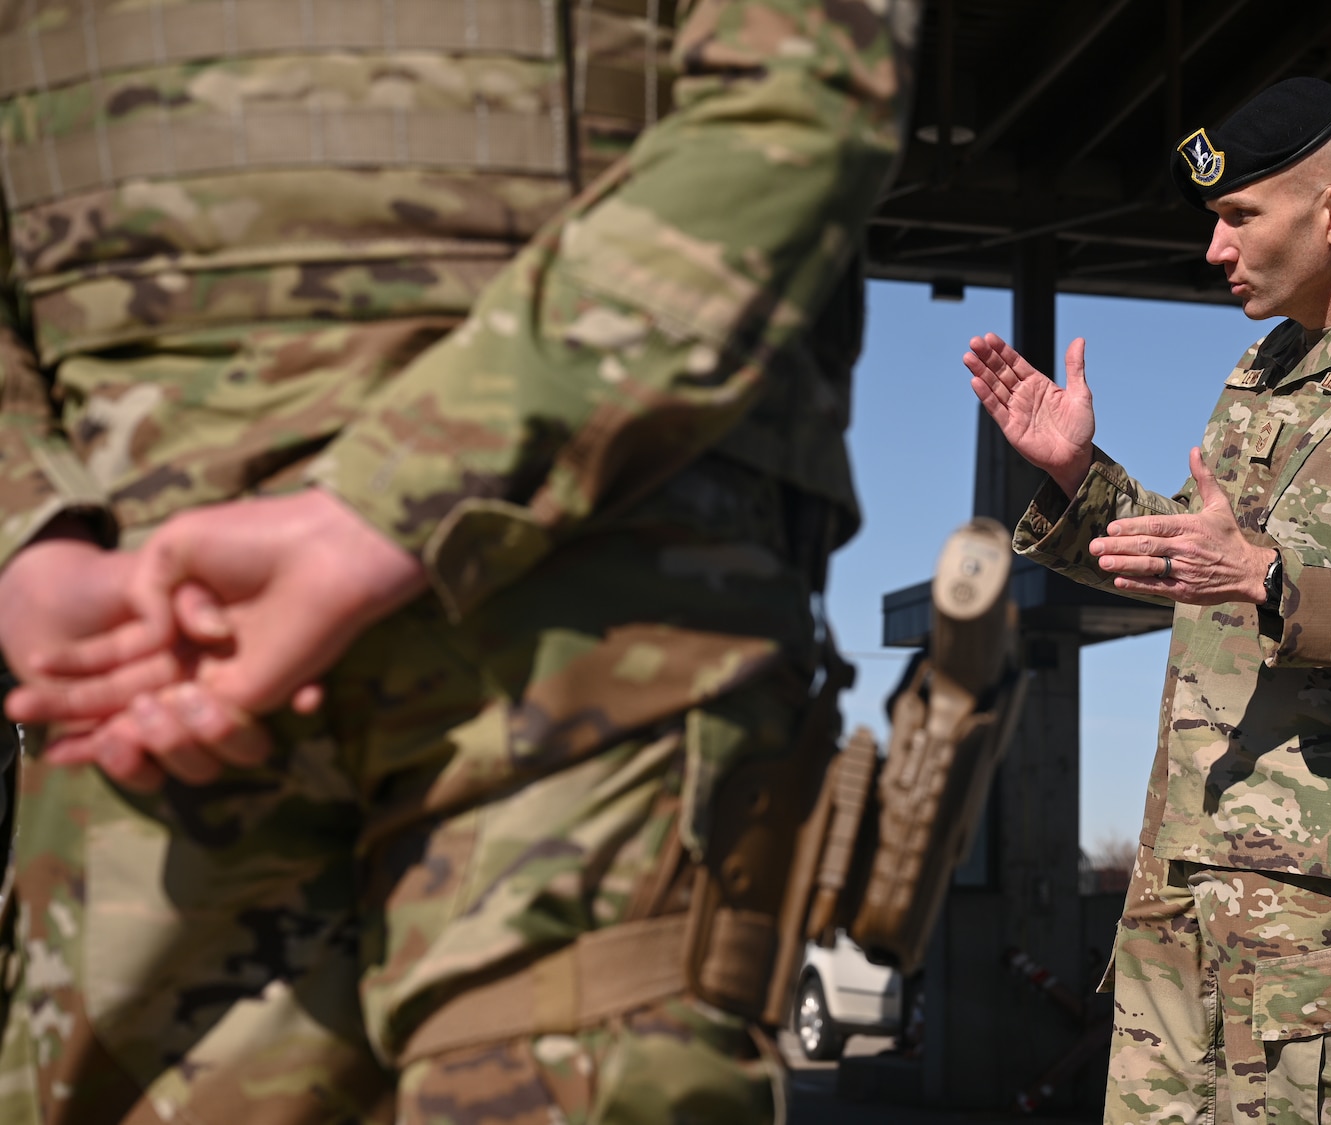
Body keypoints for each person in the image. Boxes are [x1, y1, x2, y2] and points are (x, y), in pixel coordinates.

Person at [0, 0, 912, 1119]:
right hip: (588, 586)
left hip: (192, 604)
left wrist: (33, 534)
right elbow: (806, 92)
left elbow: (801, 100)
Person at [965, 77, 1331, 1125]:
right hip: (1181, 889)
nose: (1214, 250)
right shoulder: (1264, 370)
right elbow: (1198, 563)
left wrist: (1270, 577)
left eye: (1238, 217)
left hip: (1321, 924)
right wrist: (1076, 477)